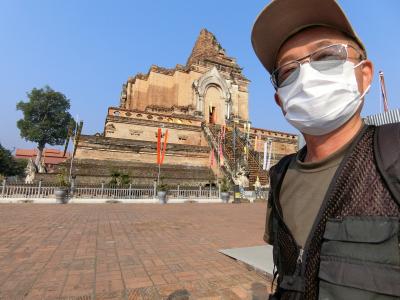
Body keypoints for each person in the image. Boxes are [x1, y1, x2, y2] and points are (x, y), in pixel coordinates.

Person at [251, 0, 400, 299]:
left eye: (326, 56)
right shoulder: (279, 178)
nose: (306, 78)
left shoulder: (393, 154)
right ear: (281, 100)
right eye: (289, 70)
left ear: (365, 75)